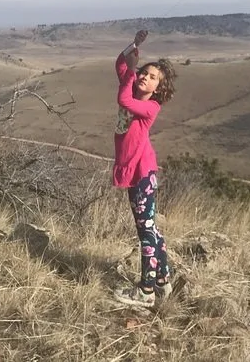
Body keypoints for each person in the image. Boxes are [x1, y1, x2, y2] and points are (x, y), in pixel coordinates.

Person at [112, 28, 177, 308]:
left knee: (146, 233)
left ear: (158, 89)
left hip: (142, 174)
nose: (142, 77)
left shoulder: (149, 107)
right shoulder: (131, 86)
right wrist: (133, 47)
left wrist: (132, 70)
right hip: (135, 171)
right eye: (143, 73)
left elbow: (123, 100)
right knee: (151, 229)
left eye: (151, 77)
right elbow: (120, 64)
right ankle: (163, 279)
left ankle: (146, 291)